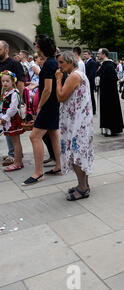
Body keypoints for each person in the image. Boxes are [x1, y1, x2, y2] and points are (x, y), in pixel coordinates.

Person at [54, 51, 94, 201]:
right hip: (79, 120)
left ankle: (83, 188)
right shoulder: (78, 74)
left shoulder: (74, 76)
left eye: (61, 63)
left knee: (76, 153)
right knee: (81, 152)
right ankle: (83, 185)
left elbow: (61, 96)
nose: (59, 66)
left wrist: (58, 80)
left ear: (71, 62)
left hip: (77, 123)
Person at [23, 35, 62, 186]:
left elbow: (47, 89)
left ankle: (38, 173)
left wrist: (39, 106)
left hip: (49, 105)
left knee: (34, 137)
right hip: (53, 105)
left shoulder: (49, 64)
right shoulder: (51, 62)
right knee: (53, 134)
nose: (35, 46)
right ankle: (59, 166)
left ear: (41, 47)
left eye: (36, 44)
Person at [0, 40, 24, 167]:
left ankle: (14, 155)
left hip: (11, 102)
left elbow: (20, 82)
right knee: (6, 129)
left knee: (11, 130)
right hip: (2, 100)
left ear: (6, 50)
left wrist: (17, 101)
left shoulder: (14, 63)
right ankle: (12, 153)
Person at [96, 48, 124, 136]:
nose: (98, 55)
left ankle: (110, 129)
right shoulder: (104, 64)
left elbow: (113, 79)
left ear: (104, 54)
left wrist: (100, 80)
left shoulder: (109, 65)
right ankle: (106, 129)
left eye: (99, 53)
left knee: (109, 111)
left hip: (109, 93)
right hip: (104, 92)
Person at [83, 50, 98, 115]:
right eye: (84, 54)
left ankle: (93, 110)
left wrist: (86, 80)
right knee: (88, 96)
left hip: (90, 82)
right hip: (87, 81)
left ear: (89, 55)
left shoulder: (92, 62)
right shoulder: (85, 62)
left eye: (86, 54)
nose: (84, 55)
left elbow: (92, 73)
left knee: (91, 96)